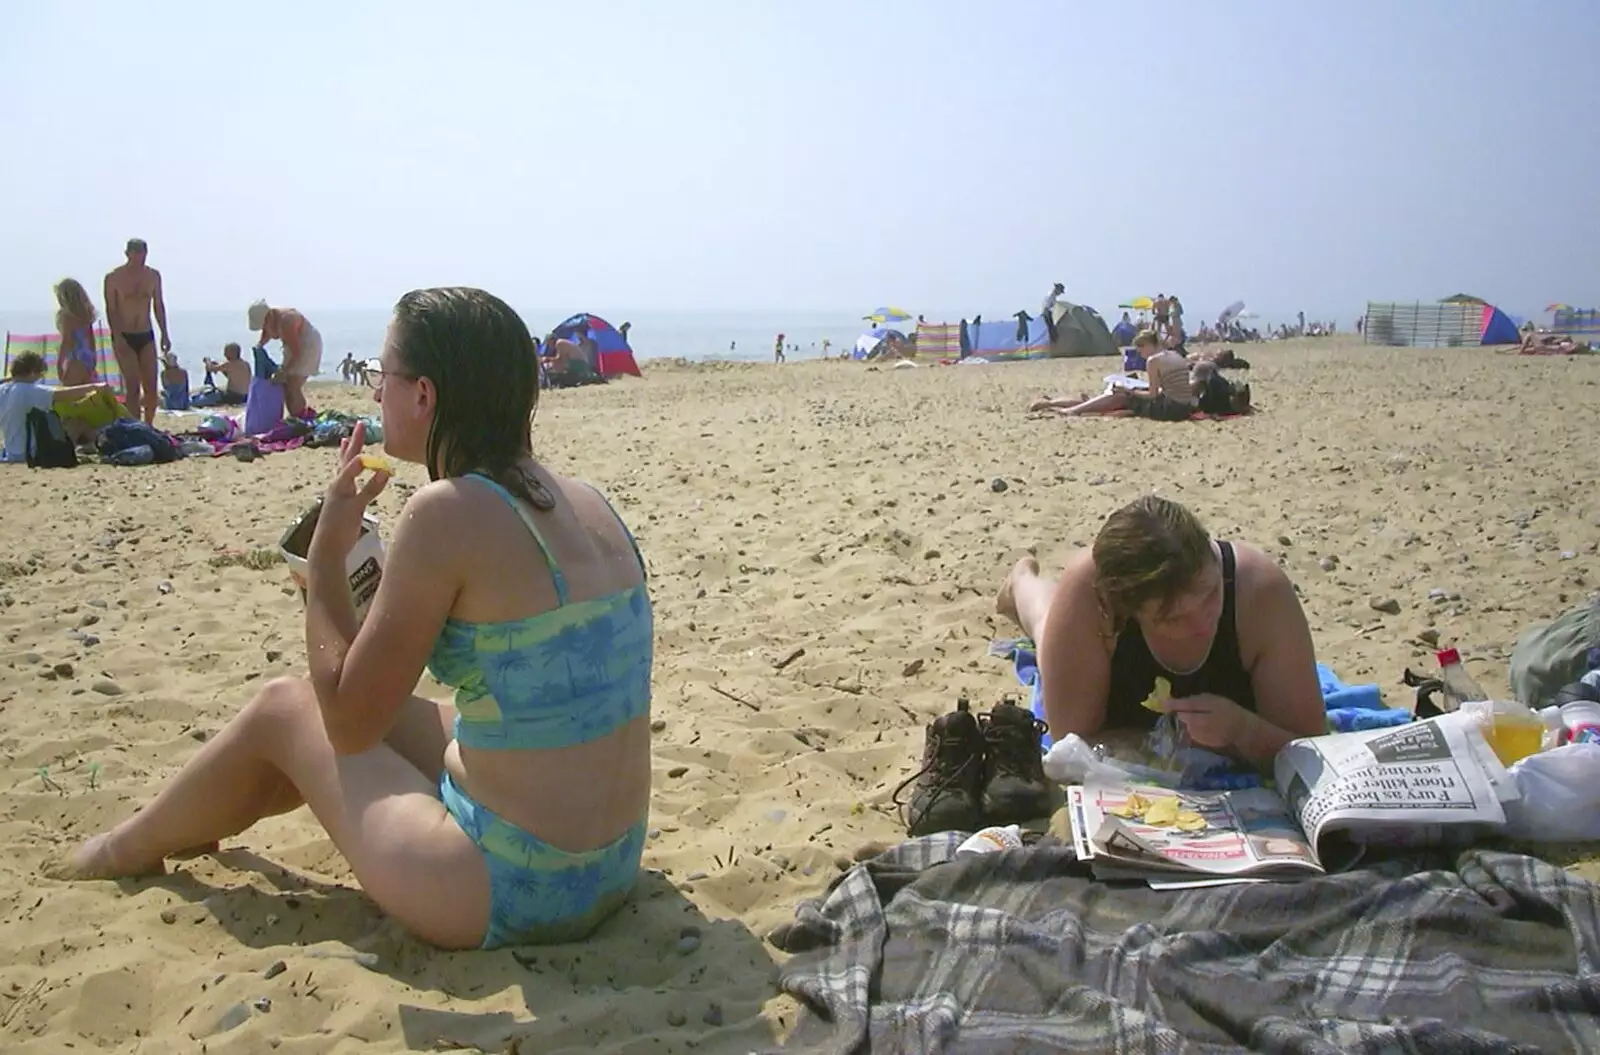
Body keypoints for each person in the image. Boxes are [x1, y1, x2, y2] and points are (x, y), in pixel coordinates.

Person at [53, 287, 654, 950]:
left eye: (380, 376)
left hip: (508, 888)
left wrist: (326, 559)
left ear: (423, 394)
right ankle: (194, 817)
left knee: (288, 707)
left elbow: (346, 721)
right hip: (609, 866)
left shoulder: (444, 511)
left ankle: (126, 845)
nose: (373, 394)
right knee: (408, 714)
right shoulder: (588, 501)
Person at [996, 495, 1326, 764]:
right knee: (1047, 626)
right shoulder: (1091, 596)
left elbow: (1312, 746)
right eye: (1173, 618)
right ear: (1124, 610)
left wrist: (1242, 731)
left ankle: (1025, 586)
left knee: (1053, 626)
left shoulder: (1258, 590)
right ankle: (1022, 585)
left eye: (1210, 594)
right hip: (1086, 612)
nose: (1203, 625)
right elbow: (1072, 739)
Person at [1031, 331, 1196, 421]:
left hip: (1170, 409)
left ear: (1147, 345)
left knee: (1120, 395)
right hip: (1183, 407)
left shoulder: (1153, 360)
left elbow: (1153, 394)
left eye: (1140, 348)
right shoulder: (1175, 355)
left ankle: (1070, 410)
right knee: (1121, 393)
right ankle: (1058, 404)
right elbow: (1168, 388)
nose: (1139, 353)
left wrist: (1129, 391)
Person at [0, 352, 115, 462]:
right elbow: (67, 393)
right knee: (78, 423)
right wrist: (96, 387)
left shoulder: (4, 390)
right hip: (31, 453)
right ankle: (107, 448)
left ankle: (91, 447)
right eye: (40, 374)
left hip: (12, 452)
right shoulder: (30, 390)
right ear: (32, 372)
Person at [104, 238, 170, 425]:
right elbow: (112, 309)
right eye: (137, 254)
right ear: (128, 254)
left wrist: (164, 332)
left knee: (151, 387)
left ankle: (148, 425)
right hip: (124, 335)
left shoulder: (153, 276)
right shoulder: (114, 278)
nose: (141, 258)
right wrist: (117, 336)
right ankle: (135, 425)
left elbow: (158, 305)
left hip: (146, 333)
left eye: (143, 254)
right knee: (132, 387)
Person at [54, 278, 101, 387]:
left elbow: (67, 342)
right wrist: (93, 361)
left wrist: (59, 364)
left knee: (70, 396)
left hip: (75, 358)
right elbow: (91, 341)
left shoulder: (67, 317)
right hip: (88, 357)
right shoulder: (86, 314)